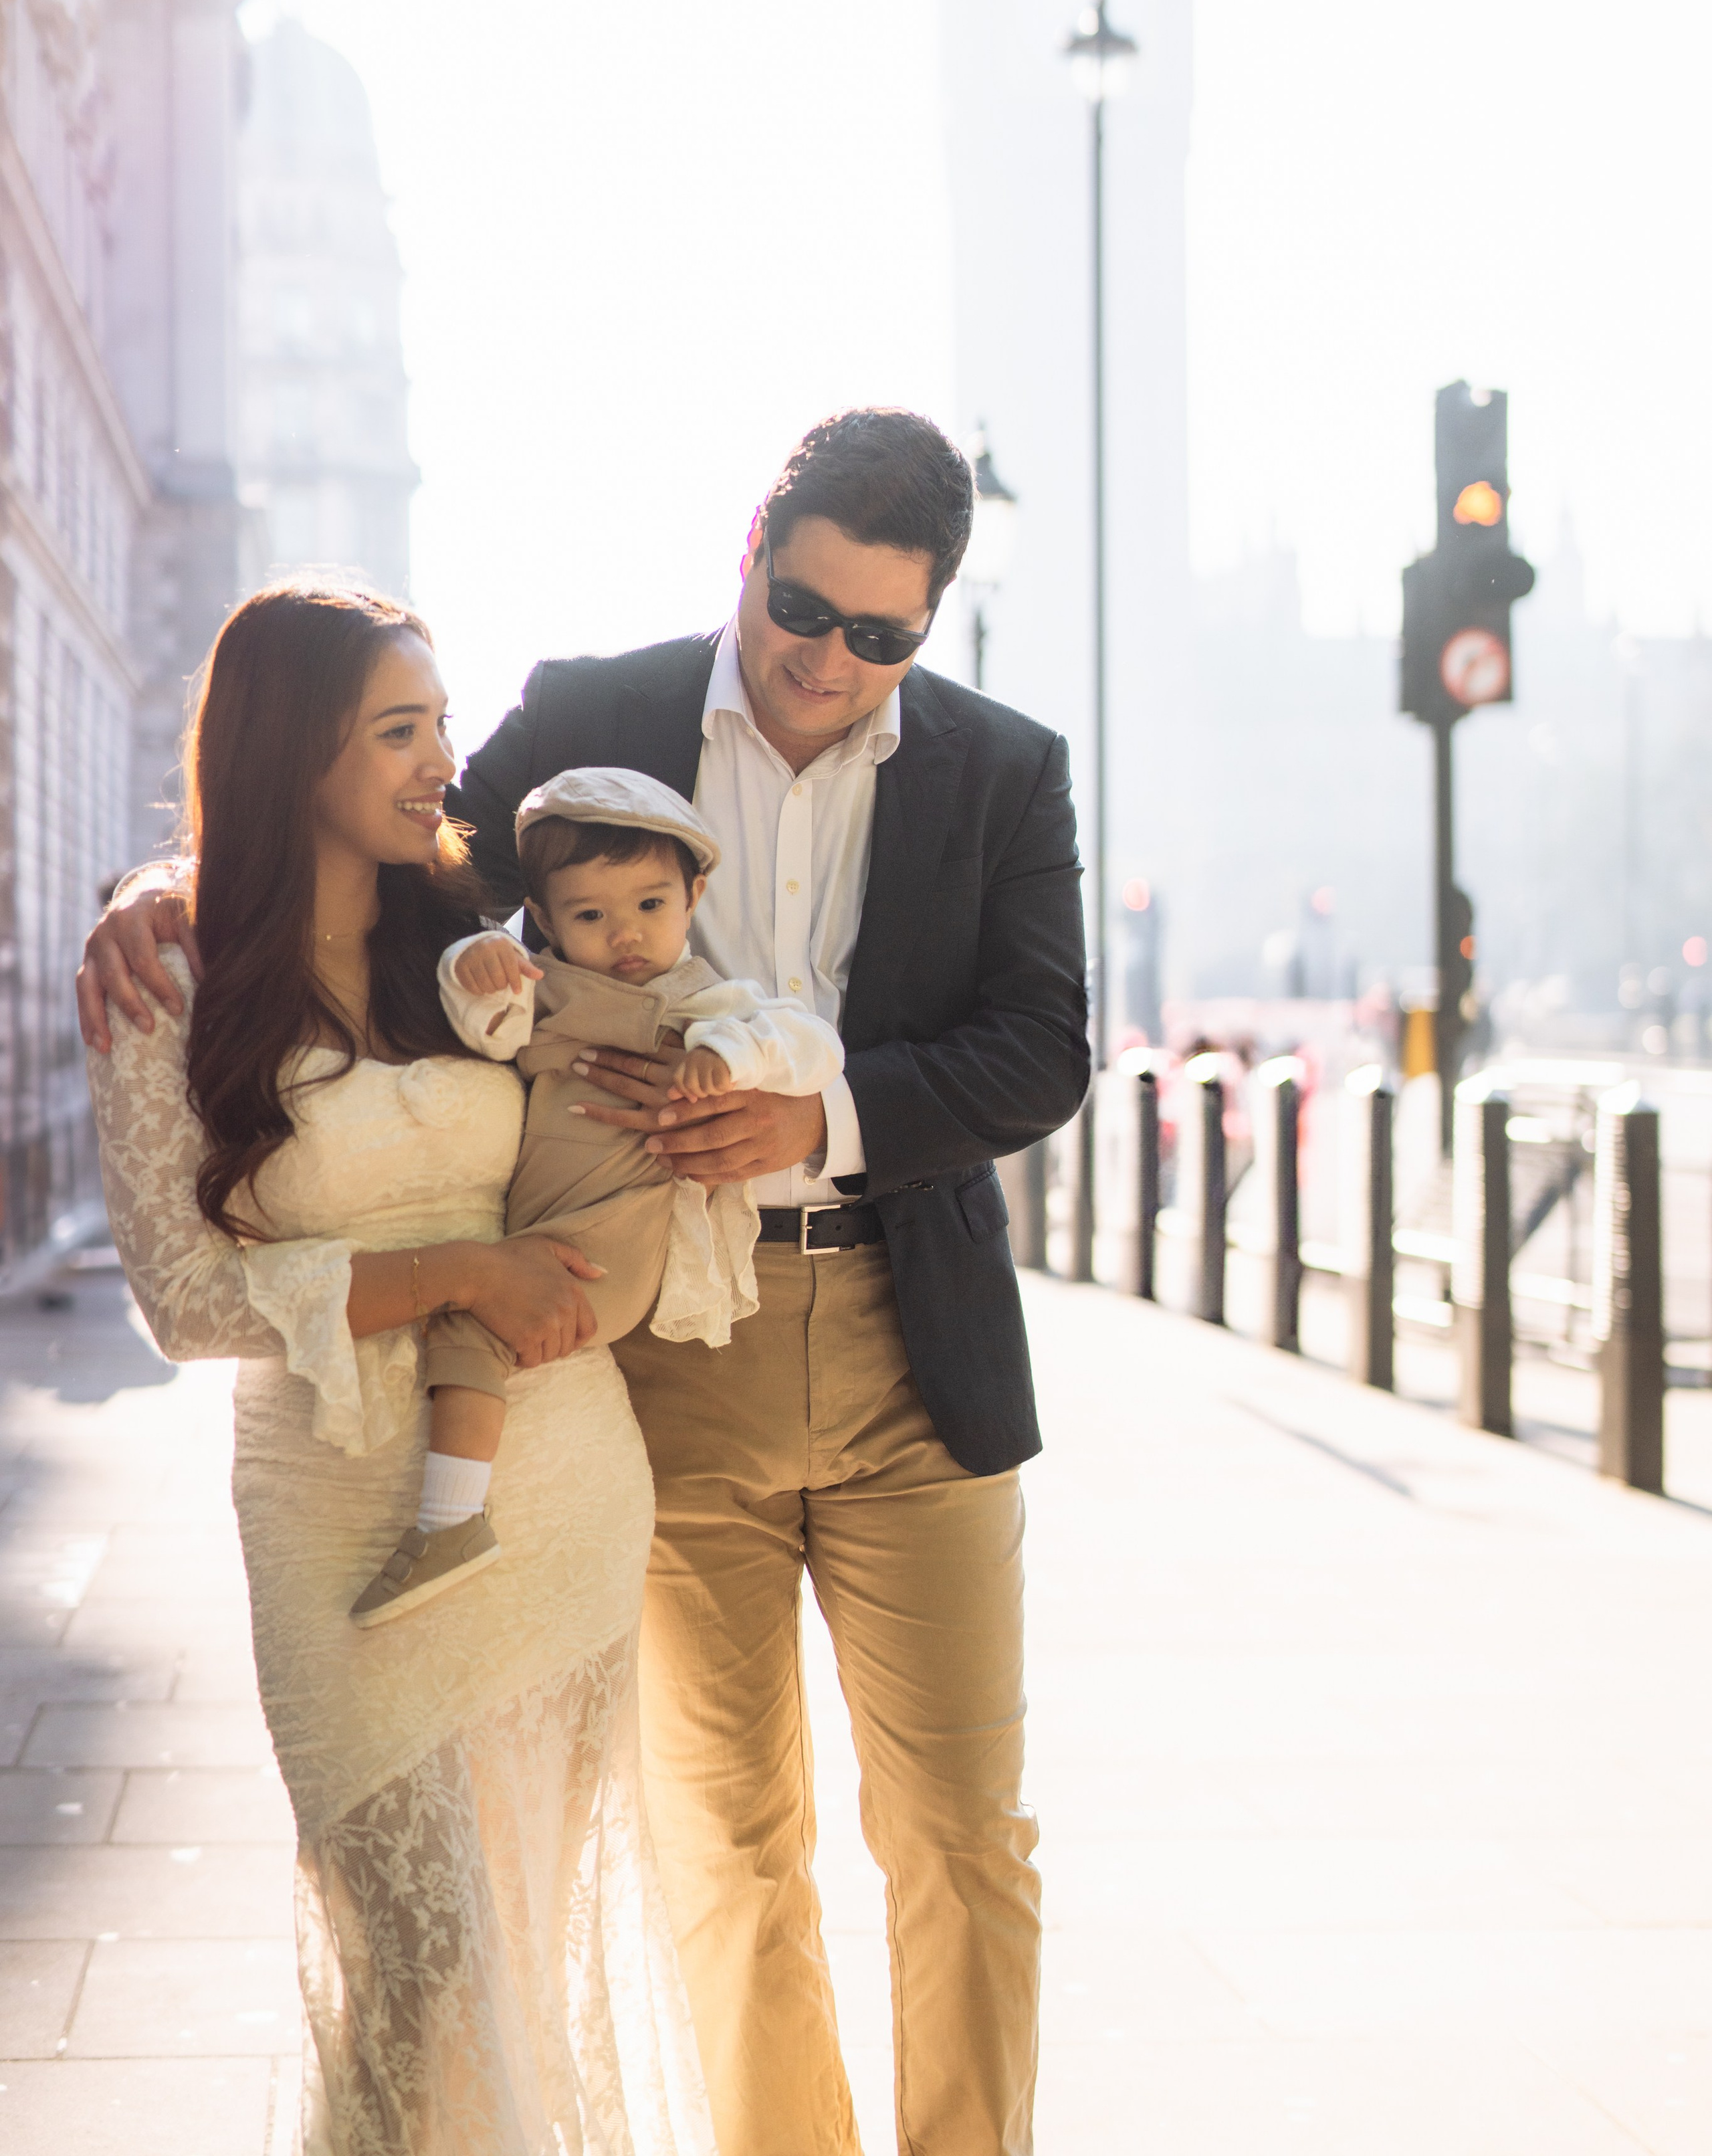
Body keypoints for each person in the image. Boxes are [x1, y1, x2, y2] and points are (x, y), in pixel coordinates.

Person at [78, 407, 1090, 2156]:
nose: (830, 659)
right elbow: (367, 835)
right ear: (751, 558)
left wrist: (816, 1118)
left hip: (905, 1346)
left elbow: (1043, 1047)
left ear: (925, 627)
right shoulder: (593, 717)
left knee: (959, 1834)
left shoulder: (1002, 770)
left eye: (883, 637)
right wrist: (166, 886)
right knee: (728, 1845)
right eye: (804, 609)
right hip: (644, 1358)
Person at [81, 583, 712, 2156]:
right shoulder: (168, 975)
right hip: (331, 1514)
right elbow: (180, 1300)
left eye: (440, 721)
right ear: (298, 750)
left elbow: (662, 966)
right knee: (416, 1968)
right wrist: (454, 1273)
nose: (444, 763)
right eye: (400, 731)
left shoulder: (478, 938)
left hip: (556, 1488)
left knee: (524, 1956)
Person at [352, 765, 845, 1627]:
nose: (626, 935)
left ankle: (449, 1522)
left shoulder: (704, 1003)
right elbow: (487, 1031)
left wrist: (729, 1058)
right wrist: (480, 965)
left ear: (693, 897)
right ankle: (457, 1518)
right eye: (591, 916)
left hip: (613, 1234)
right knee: (477, 1321)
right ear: (542, 919)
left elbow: (809, 1043)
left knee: (475, 1328)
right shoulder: (544, 991)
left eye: (652, 906)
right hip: (545, 1217)